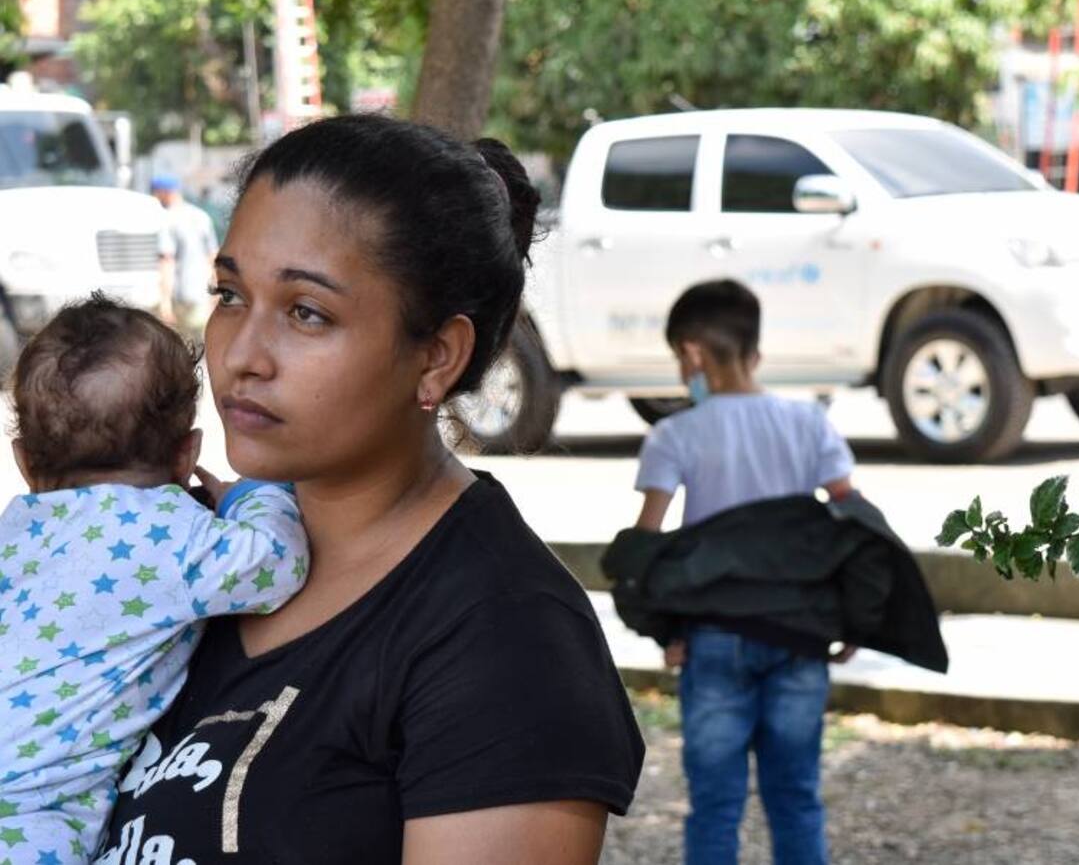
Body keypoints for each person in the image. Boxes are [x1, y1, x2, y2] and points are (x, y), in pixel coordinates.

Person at [96, 115, 645, 864]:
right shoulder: (190, 547)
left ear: (436, 358)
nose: (241, 356)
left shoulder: (506, 639)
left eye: (306, 313)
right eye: (229, 295)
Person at [0, 295, 309, 864]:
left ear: (23, 462)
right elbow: (277, 560)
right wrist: (251, 494)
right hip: (31, 816)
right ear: (187, 454)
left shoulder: (15, 529)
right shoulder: (172, 534)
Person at [632, 279, 856, 865]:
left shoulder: (675, 435)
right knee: (797, 799)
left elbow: (646, 544)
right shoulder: (810, 424)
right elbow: (855, 523)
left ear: (693, 352)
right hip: (799, 635)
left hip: (714, 637)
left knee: (715, 806)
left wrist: (664, 627)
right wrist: (859, 611)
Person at [152, 174, 219, 336]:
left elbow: (167, 262)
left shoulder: (167, 220)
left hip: (181, 296)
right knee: (204, 346)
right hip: (203, 294)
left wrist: (165, 302)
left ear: (164, 192)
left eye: (156, 193)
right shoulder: (202, 216)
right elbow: (213, 256)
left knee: (184, 348)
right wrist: (216, 292)